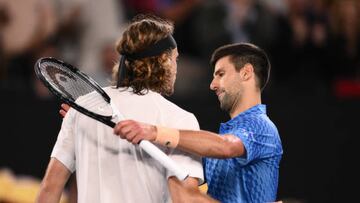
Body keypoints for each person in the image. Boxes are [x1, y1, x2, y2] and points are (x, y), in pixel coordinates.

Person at [37, 14, 205, 203]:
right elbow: (186, 199)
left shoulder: (81, 108)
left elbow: (50, 188)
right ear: (163, 61)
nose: (176, 67)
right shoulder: (180, 120)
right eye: (175, 59)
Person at [113, 42, 283, 202]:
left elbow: (226, 146)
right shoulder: (225, 135)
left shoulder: (262, 126)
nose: (212, 85)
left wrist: (154, 132)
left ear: (246, 72)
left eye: (221, 74)